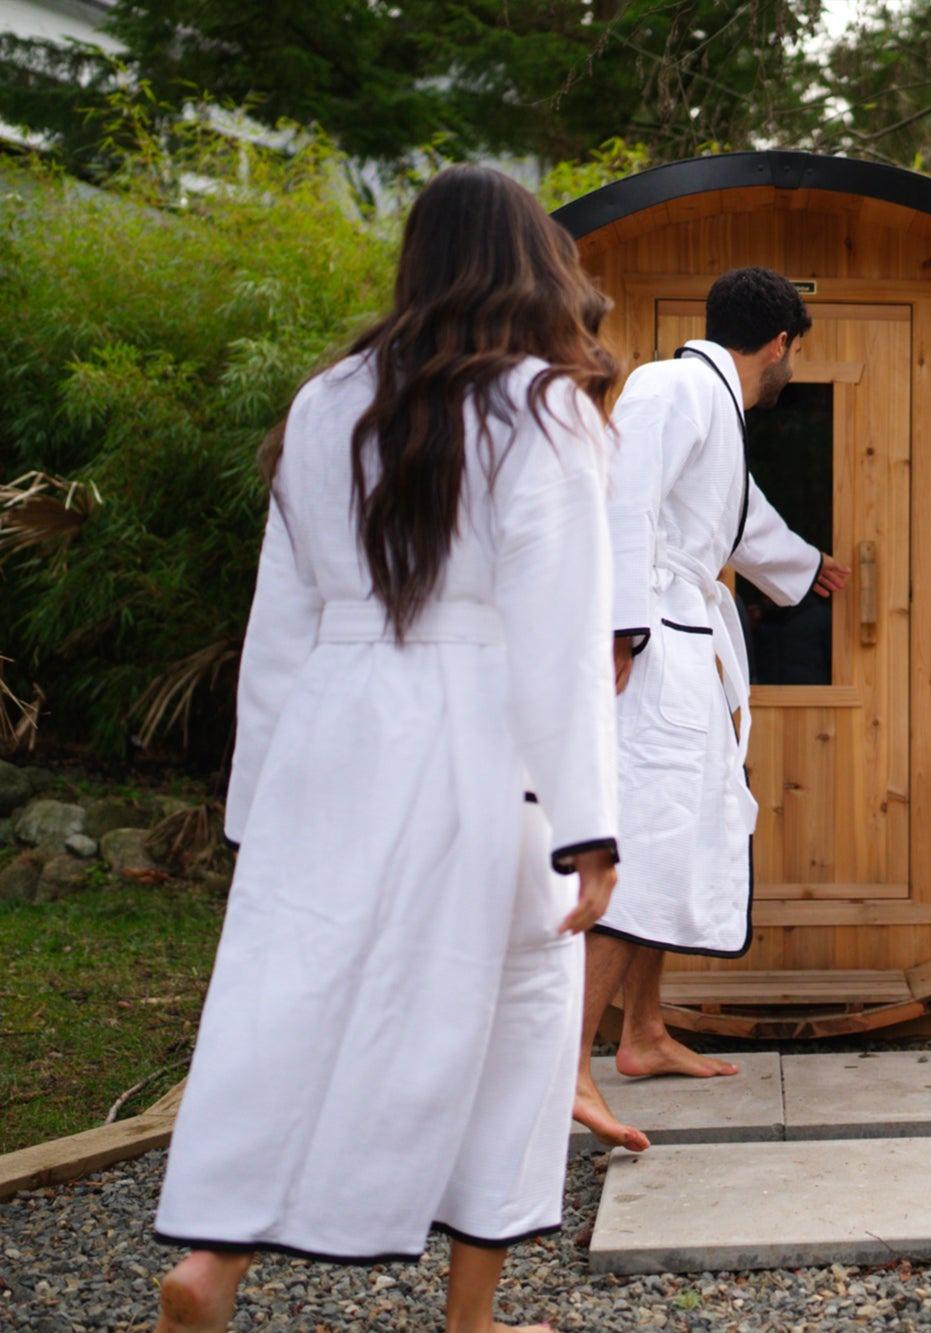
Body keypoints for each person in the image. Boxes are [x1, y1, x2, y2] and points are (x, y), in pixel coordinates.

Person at [151, 164, 621, 1333]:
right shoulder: (542, 407)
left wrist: (257, 806)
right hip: (476, 741)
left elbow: (280, 623)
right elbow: (560, 637)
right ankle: (471, 1321)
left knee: (299, 1000)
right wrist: (590, 826)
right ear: (531, 264)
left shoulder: (325, 401)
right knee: (517, 1008)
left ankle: (212, 1264)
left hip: (331, 727)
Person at [571, 267, 847, 1151]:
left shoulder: (713, 407)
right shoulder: (671, 385)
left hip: (684, 639)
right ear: (780, 344)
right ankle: (568, 1064)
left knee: (677, 835)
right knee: (645, 841)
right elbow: (624, 497)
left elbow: (737, 520)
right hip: (652, 642)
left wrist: (805, 565)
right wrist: (619, 629)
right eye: (794, 355)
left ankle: (644, 1032)